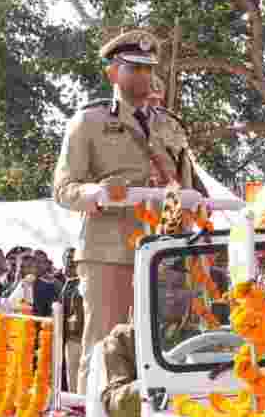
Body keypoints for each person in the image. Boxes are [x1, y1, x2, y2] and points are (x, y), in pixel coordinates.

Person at [51, 30, 200, 388]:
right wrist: (97, 193)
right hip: (109, 249)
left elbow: (186, 186)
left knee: (163, 344)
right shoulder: (89, 122)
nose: (143, 77)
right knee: (103, 344)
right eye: (133, 68)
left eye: (148, 69)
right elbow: (63, 189)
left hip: (162, 248)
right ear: (112, 73)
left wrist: (189, 213)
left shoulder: (170, 124)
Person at [2, 252, 60, 316]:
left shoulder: (49, 285)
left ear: (36, 268)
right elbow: (8, 303)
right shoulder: (21, 283)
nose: (25, 269)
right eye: (22, 267)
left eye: (29, 266)